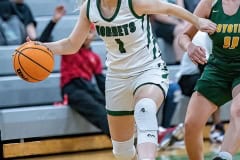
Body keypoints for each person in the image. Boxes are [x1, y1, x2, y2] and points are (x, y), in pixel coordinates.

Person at [31, 0, 216, 159]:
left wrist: (197, 21)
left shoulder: (133, 3)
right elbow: (71, 44)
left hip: (148, 69)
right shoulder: (90, 8)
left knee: (145, 109)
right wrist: (43, 47)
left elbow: (168, 8)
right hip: (117, 78)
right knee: (122, 152)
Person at [178, 0, 240, 159]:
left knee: (238, 111)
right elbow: (184, 36)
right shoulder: (210, 3)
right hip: (217, 68)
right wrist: (189, 47)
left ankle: (224, 157)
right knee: (191, 125)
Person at [60, 24, 110, 136]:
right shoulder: (70, 49)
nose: (87, 36)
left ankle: (129, 141)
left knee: (111, 110)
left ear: (94, 35)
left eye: (90, 32)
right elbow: (44, 42)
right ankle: (127, 145)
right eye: (85, 32)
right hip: (72, 89)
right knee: (100, 112)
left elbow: (101, 83)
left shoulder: (94, 57)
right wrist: (54, 22)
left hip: (88, 88)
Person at [177, 31, 225, 144]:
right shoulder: (200, 37)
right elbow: (205, 68)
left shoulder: (223, 37)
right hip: (187, 78)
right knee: (213, 85)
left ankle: (216, 127)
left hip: (204, 72)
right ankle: (216, 128)